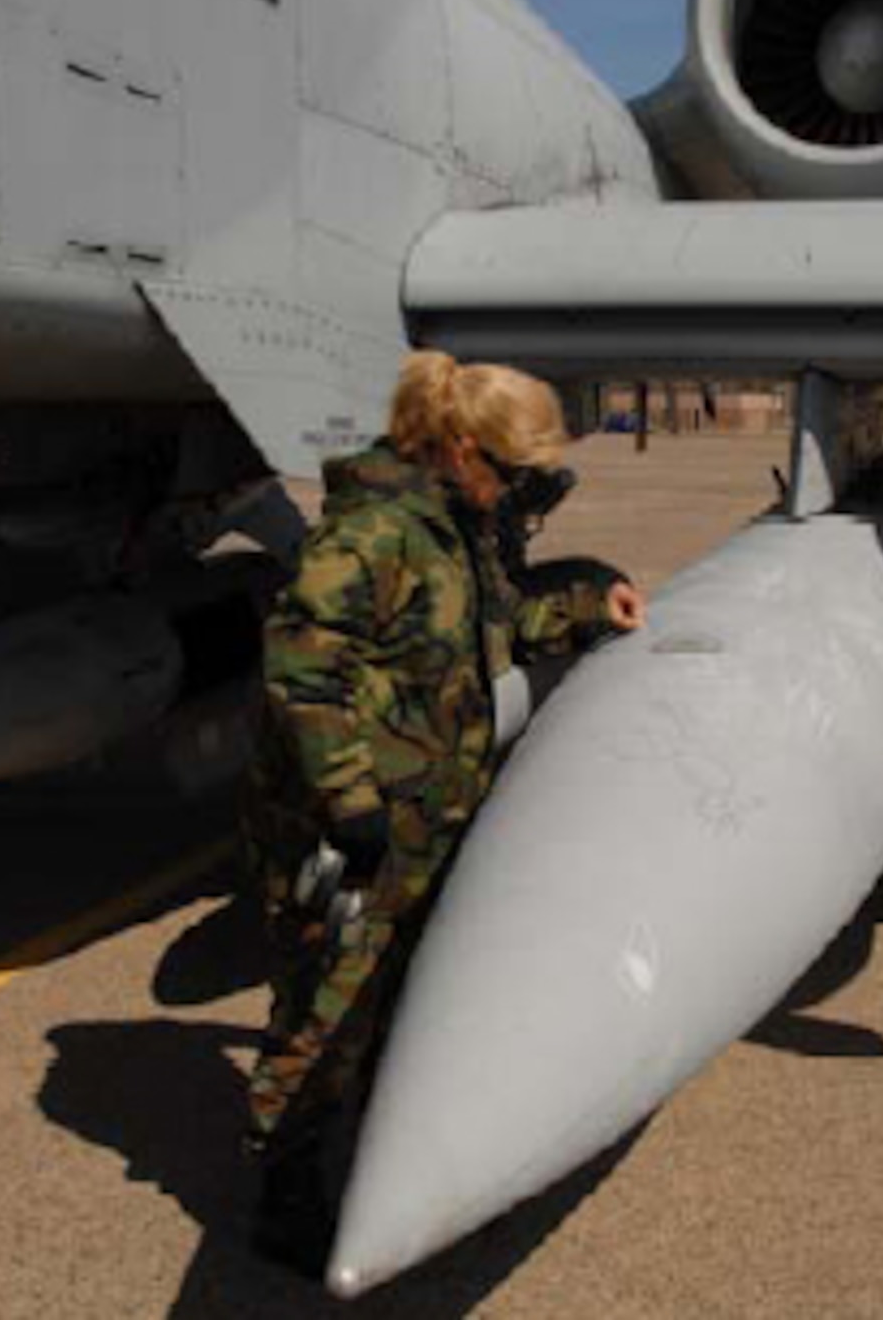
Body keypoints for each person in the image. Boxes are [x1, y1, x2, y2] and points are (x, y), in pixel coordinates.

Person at [239, 351, 646, 1271]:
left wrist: (588, 606)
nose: (515, 493)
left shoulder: (453, 526)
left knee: (396, 1005)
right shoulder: (372, 533)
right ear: (462, 448)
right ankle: (284, 1203)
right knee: (321, 1022)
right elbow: (300, 672)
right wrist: (349, 805)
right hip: (352, 832)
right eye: (510, 472)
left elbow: (490, 631)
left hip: (424, 813)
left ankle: (380, 1170)